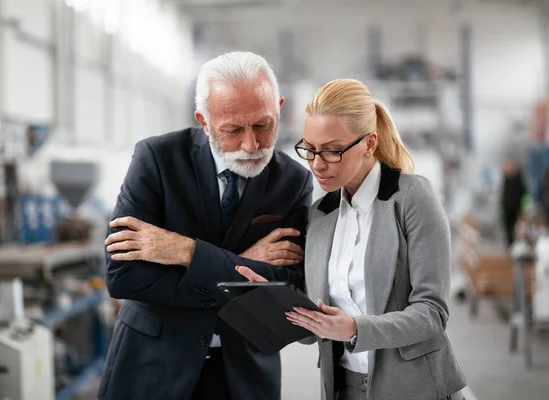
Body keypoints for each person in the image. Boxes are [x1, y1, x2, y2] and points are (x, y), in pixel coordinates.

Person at [98, 51, 313, 400]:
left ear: (280, 106)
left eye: (263, 125)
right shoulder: (156, 159)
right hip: (153, 369)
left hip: (245, 374)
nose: (251, 144)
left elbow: (289, 285)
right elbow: (122, 276)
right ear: (204, 120)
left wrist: (185, 251)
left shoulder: (293, 180)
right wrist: (241, 261)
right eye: (232, 130)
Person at [238, 78, 467, 400]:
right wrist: (267, 297)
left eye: (332, 151)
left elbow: (433, 313)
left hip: (415, 387)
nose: (317, 164)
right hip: (344, 387)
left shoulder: (412, 198)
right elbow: (312, 331)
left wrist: (357, 329)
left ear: (369, 144)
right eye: (310, 149)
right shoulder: (321, 214)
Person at [500, 156, 527, 248]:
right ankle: (510, 249)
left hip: (517, 210)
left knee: (518, 231)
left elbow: (524, 194)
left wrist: (524, 208)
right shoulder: (506, 179)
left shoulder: (518, 179)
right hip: (507, 210)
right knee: (508, 231)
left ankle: (517, 249)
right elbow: (503, 195)